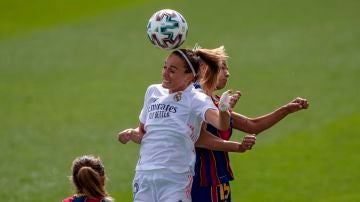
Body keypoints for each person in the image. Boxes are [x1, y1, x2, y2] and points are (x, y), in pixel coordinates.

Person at [117, 48, 240, 202]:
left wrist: (223, 110)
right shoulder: (153, 92)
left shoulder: (196, 99)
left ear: (189, 76)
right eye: (165, 67)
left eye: (172, 70)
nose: (165, 73)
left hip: (175, 179)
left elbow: (221, 125)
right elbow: (143, 133)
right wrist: (130, 133)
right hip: (144, 175)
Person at [191, 45, 309, 202]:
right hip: (202, 182)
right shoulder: (194, 101)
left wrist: (286, 110)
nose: (228, 73)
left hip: (219, 181)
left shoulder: (218, 102)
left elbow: (252, 125)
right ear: (206, 69)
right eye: (223, 68)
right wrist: (238, 146)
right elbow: (201, 139)